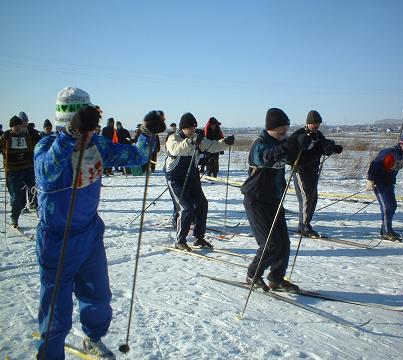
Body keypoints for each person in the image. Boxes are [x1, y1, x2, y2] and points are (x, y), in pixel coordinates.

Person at [34, 86, 165, 359]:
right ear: (67, 123)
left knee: (98, 299)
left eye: (90, 126)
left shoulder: (98, 145)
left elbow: (137, 156)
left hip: (90, 234)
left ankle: (92, 339)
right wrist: (69, 136)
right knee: (56, 313)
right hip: (56, 240)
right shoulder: (47, 146)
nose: (89, 133)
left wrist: (147, 133)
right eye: (84, 126)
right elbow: (46, 173)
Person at [241, 108, 311, 292]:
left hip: (274, 200)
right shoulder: (260, 143)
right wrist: (289, 146)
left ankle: (276, 278)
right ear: (271, 127)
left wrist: (309, 147)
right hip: (255, 200)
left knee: (284, 243)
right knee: (271, 243)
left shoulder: (284, 141)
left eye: (286, 128)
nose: (283, 132)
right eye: (280, 128)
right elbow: (267, 157)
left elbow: (295, 158)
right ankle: (252, 274)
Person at [165, 112, 234, 251]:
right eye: (189, 128)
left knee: (202, 204)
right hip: (176, 180)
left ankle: (199, 238)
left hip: (192, 178)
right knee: (186, 207)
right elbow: (175, 149)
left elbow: (212, 145)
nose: (191, 130)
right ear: (182, 128)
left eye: (193, 128)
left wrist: (225, 142)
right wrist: (191, 142)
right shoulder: (174, 137)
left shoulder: (196, 137)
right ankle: (180, 240)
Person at [287, 110, 343, 238]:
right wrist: (299, 146)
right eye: (314, 124)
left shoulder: (318, 135)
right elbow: (289, 150)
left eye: (318, 124)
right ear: (308, 123)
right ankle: (304, 226)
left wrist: (333, 148)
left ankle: (304, 224)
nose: (316, 126)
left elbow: (323, 148)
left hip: (313, 171)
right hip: (301, 171)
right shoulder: (300, 134)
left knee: (311, 199)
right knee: (308, 198)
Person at [366, 129, 403, 241]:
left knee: (392, 206)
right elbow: (374, 164)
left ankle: (387, 229)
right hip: (379, 183)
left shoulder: (402, 155)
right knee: (387, 207)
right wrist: (370, 180)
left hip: (389, 183)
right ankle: (386, 231)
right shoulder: (389, 152)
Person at [0, 115, 37, 228]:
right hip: (13, 170)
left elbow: (31, 150)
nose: (18, 129)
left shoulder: (26, 136)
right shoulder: (6, 137)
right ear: (11, 127)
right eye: (15, 127)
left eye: (19, 126)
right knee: (17, 198)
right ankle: (14, 217)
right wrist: (2, 138)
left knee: (35, 190)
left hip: (27, 167)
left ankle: (37, 209)